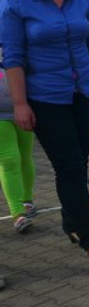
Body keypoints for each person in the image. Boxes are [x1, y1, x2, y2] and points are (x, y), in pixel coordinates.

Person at [0, 0, 89, 269]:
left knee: (78, 162)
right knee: (68, 165)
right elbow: (13, 56)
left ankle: (72, 223)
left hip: (85, 92)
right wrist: (20, 104)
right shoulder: (16, 0)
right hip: (45, 97)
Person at [0, 42, 36, 235]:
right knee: (9, 159)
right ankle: (17, 213)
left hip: (23, 108)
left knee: (25, 155)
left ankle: (27, 200)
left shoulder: (15, 35)